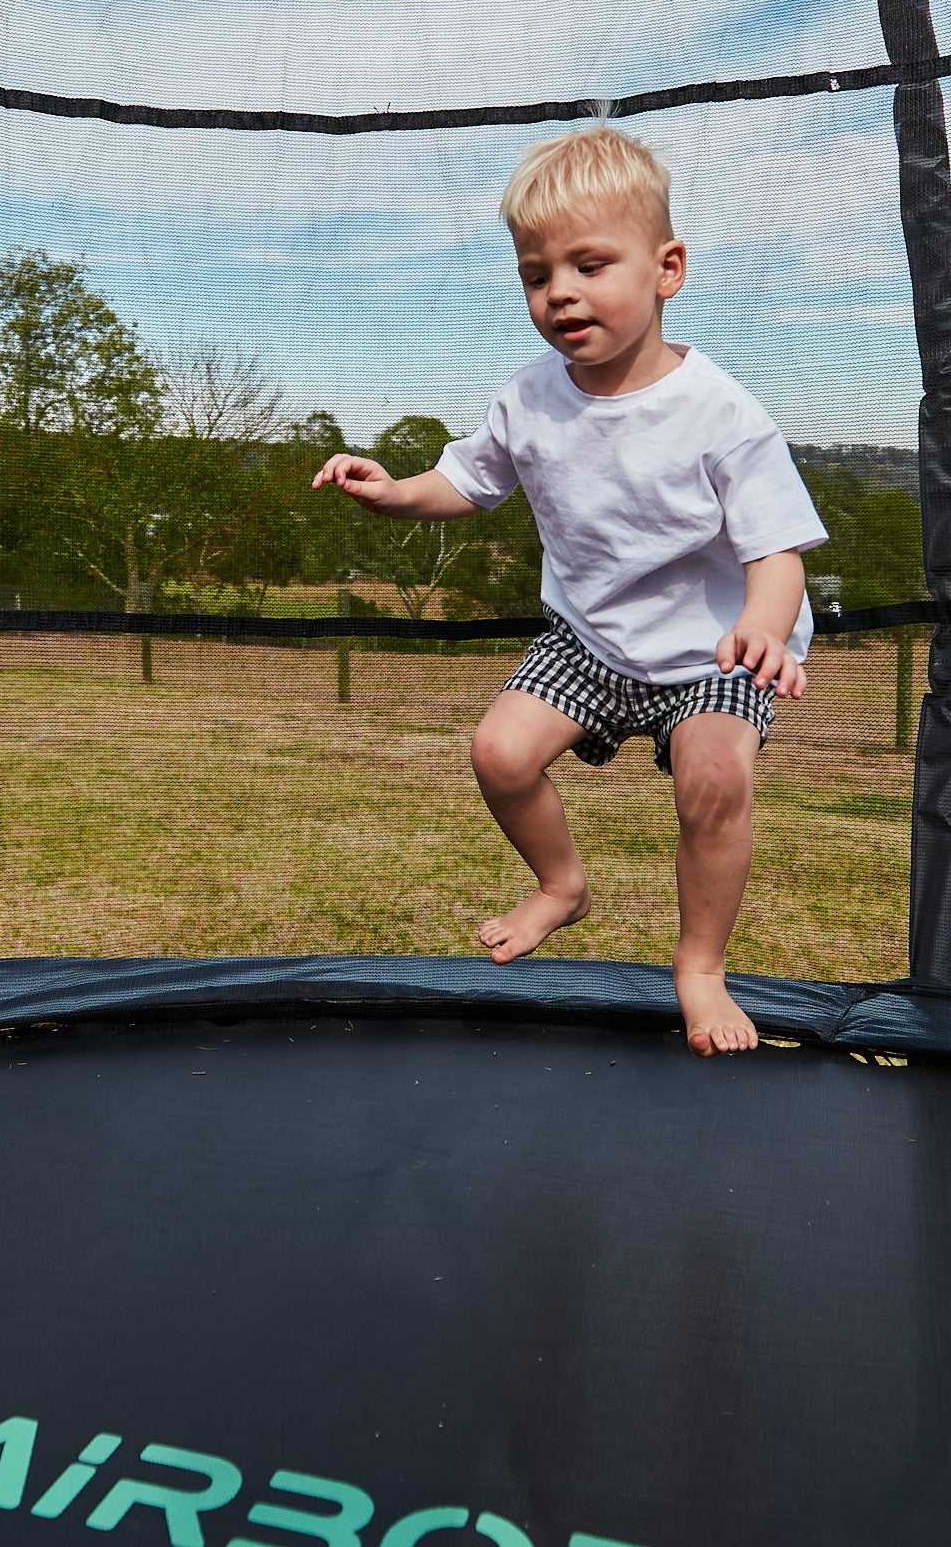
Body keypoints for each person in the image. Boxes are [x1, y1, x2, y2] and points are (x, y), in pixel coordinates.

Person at [313, 124, 825, 1054]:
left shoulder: (721, 412)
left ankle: (701, 967)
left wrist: (763, 626)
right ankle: (563, 887)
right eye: (537, 274)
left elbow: (779, 549)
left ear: (666, 268)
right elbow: (465, 482)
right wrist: (391, 493)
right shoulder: (529, 398)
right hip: (589, 640)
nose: (561, 293)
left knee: (714, 778)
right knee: (500, 753)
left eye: (591, 264)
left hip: (710, 648)